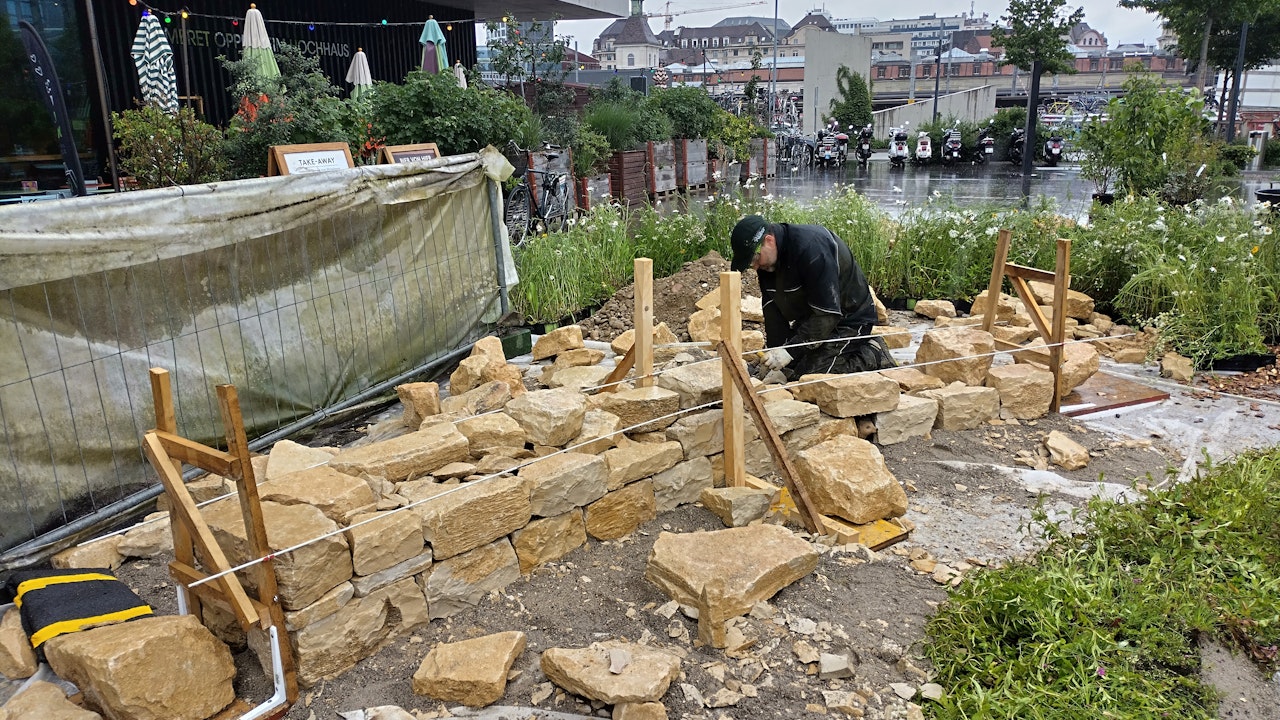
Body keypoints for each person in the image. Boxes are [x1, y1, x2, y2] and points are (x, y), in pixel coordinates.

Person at [729, 215, 896, 379]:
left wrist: (789, 351)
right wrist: (776, 355)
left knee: (811, 378)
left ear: (769, 241)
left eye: (754, 259)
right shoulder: (768, 264)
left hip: (850, 319)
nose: (754, 266)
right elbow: (773, 309)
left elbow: (827, 314)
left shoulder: (811, 249)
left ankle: (872, 351)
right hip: (813, 317)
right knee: (793, 369)